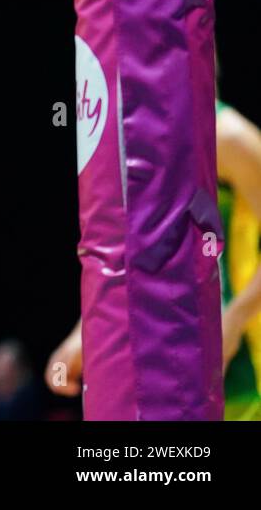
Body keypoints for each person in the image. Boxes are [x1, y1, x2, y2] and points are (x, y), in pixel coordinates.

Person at [45, 89, 261, 420]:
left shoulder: (228, 135)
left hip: (242, 368)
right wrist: (85, 332)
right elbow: (135, 251)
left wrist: (232, 323)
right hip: (164, 365)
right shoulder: (138, 139)